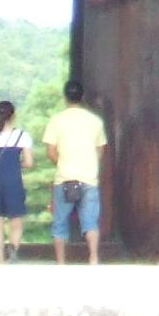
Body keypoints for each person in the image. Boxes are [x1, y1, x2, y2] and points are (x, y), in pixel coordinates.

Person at [42, 80, 108, 264]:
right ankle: (93, 257)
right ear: (83, 96)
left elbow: (51, 151)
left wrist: (63, 162)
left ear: (65, 97)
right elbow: (100, 150)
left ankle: (61, 261)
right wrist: (89, 164)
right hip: (88, 177)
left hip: (64, 177)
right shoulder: (95, 121)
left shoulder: (56, 120)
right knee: (90, 222)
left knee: (60, 223)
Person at [0, 98, 33, 262]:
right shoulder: (21, 136)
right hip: (13, 182)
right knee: (16, 222)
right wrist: (16, 163)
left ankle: (0, 262)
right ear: (13, 116)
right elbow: (29, 163)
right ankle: (13, 250)